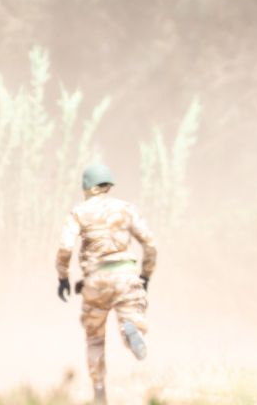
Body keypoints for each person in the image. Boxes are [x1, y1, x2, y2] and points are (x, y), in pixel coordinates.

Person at [55, 162, 157, 405]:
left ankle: (99, 390)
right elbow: (150, 244)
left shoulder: (79, 212)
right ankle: (130, 328)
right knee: (132, 317)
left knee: (95, 337)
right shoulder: (126, 209)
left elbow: (65, 248)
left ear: (87, 186)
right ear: (108, 185)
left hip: (95, 281)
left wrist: (63, 278)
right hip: (126, 276)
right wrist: (146, 275)